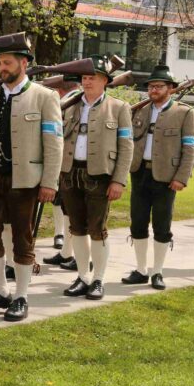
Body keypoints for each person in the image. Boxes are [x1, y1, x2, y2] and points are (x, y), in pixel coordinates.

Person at [0, 46, 63, 322]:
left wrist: (49, 182)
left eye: (7, 63)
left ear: (24, 63)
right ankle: (1, 290)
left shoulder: (44, 97)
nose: (2, 68)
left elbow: (54, 143)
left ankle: (21, 296)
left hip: (25, 180)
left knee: (22, 238)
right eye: (0, 63)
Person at [60, 55, 133, 300]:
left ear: (105, 81)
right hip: (70, 173)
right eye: (84, 77)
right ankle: (83, 277)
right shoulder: (69, 105)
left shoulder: (119, 108)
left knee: (97, 229)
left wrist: (119, 180)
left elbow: (126, 147)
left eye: (93, 77)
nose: (87, 82)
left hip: (100, 175)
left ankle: (98, 279)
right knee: (76, 228)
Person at [122, 65, 194, 290]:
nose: (153, 90)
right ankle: (141, 270)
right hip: (139, 173)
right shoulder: (140, 110)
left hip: (167, 177)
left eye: (159, 86)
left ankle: (157, 272)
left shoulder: (184, 112)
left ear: (171, 88)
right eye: (151, 86)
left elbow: (190, 148)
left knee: (162, 226)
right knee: (138, 223)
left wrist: (182, 177)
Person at [43, 74, 83, 268]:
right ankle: (67, 252)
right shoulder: (73, 101)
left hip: (72, 164)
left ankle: (82, 258)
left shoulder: (72, 102)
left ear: (58, 90)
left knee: (76, 213)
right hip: (68, 163)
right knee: (67, 209)